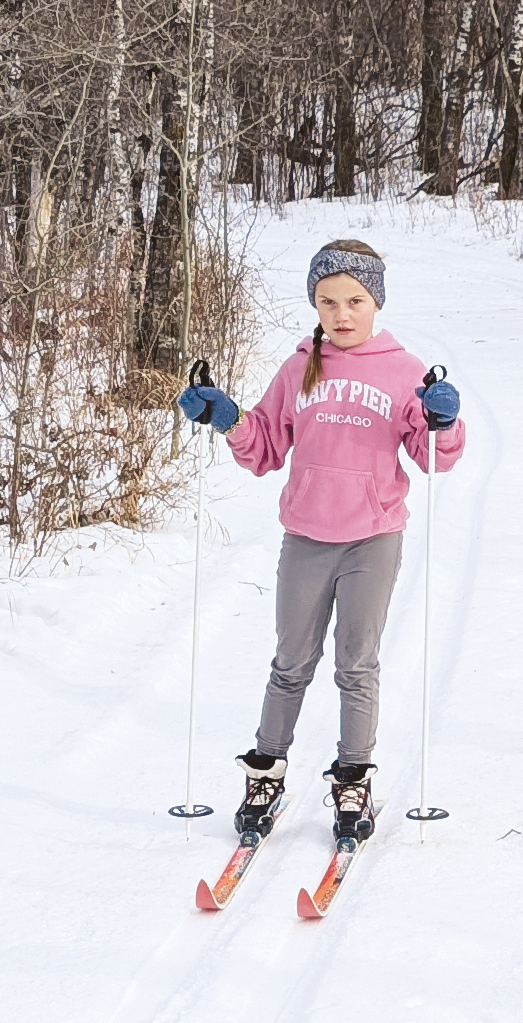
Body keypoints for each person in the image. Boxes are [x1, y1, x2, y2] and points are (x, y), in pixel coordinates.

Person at [177, 239, 465, 844]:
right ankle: (265, 772)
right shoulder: (299, 367)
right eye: (328, 301)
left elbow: (432, 456)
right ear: (315, 303)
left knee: (356, 665)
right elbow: (265, 446)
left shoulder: (403, 370)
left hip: (372, 540)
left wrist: (443, 420)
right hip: (306, 536)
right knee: (290, 664)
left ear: (376, 302)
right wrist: (226, 417)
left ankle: (353, 777)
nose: (342, 314)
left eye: (355, 300)